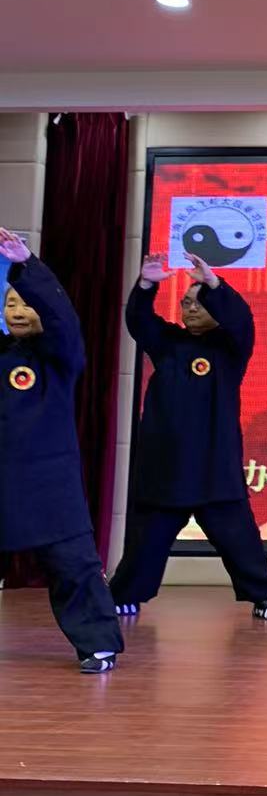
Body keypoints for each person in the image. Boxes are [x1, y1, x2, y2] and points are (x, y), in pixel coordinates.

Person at [109, 252, 267, 621]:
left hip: (212, 464)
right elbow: (139, 321)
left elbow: (241, 319)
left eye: (200, 304)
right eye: (187, 303)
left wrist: (215, 283)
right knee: (147, 541)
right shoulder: (168, 342)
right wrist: (146, 285)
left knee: (239, 540)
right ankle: (127, 594)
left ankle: (261, 596)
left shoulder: (230, 348)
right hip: (166, 465)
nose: (190, 309)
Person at [0, 228, 123, 673]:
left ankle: (98, 644)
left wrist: (27, 266)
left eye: (25, 302)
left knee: (74, 567)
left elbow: (62, 319)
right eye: (10, 302)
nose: (17, 310)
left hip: (48, 485)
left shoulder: (58, 358)